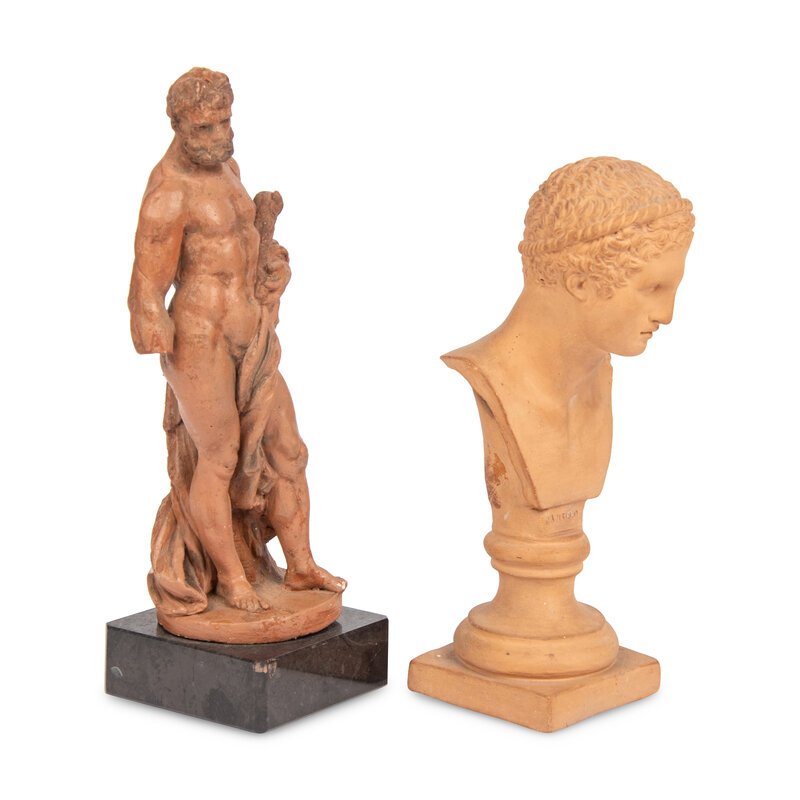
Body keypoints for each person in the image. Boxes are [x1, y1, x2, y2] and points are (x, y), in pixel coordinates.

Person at [128, 67, 344, 617]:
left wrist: (274, 267)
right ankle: (231, 578)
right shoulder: (167, 193)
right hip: (200, 339)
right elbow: (146, 289)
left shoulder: (229, 171)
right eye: (203, 128)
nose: (219, 136)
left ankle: (300, 565)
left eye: (224, 122)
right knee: (220, 456)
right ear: (178, 126)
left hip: (253, 334)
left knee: (289, 451)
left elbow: (246, 251)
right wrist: (159, 333)